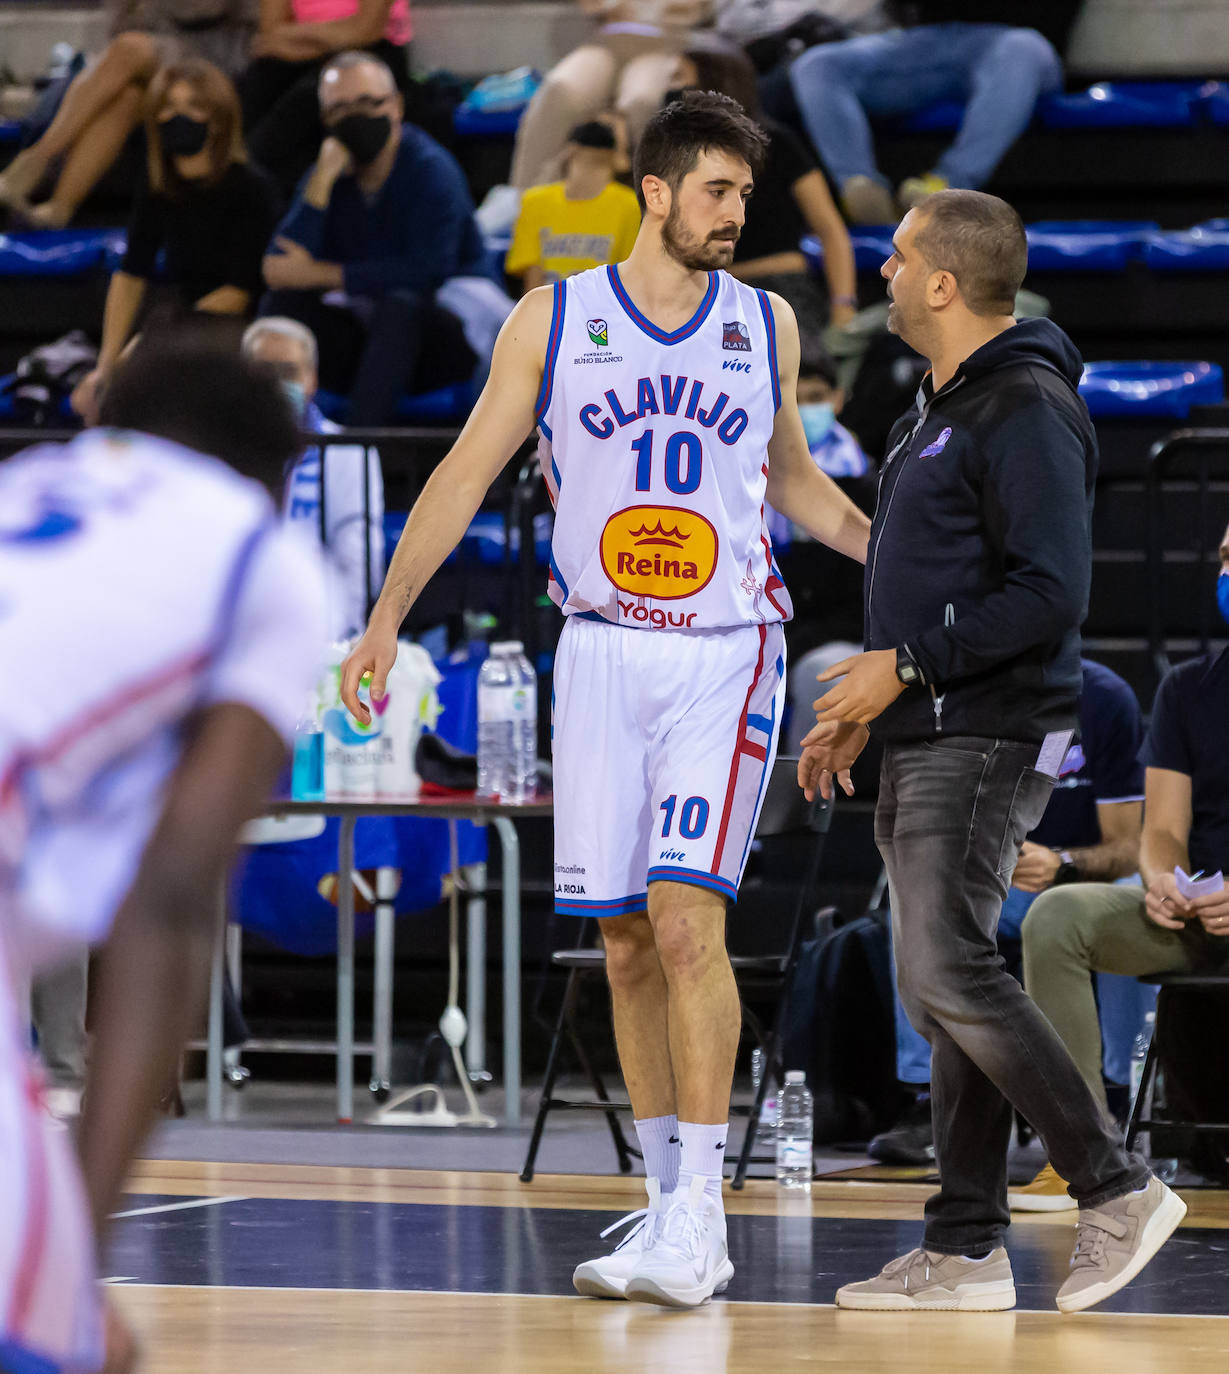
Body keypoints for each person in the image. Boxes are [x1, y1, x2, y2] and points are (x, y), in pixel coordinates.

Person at [340, 90, 871, 1308]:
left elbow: (791, 481)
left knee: (687, 920)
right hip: (597, 649)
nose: (738, 213)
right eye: (719, 192)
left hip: (726, 647)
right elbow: (465, 472)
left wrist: (895, 552)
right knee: (625, 943)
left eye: (745, 192)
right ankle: (661, 1202)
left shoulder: (766, 323)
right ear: (657, 191)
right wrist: (383, 616)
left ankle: (701, 1216)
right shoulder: (556, 317)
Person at [797, 188, 1184, 1314]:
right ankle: (964, 1246)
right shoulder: (935, 403)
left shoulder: (1023, 403)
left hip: (988, 726)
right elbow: (929, 580)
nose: (880, 270)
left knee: (941, 970)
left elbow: (1049, 592)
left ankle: (1112, 1184)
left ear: (943, 283)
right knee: (950, 977)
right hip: (925, 722)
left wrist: (902, 667)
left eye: (898, 255)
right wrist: (865, 699)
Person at [0, 335, 327, 1373]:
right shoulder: (261, 559)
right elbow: (176, 896)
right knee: (62, 1343)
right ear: (271, 482)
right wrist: (79, 1258)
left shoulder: (30, 482)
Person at [869, 657, 1147, 1173]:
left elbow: (1129, 847)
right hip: (998, 878)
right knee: (917, 905)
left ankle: (1120, 1093)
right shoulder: (961, 694)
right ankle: (928, 1098)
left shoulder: (1105, 698)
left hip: (1085, 878)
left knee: (1136, 892)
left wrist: (1063, 863)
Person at [1020, 544, 1229, 1196]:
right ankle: (1085, 1156)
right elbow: (1161, 829)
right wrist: (1165, 879)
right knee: (1057, 914)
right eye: (1222, 557)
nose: (1224, 573)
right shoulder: (1190, 688)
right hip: (1202, 915)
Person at [261, 50, 513, 424]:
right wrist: (321, 183)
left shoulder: (430, 168)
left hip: (448, 335)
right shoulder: (327, 172)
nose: (355, 117)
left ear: (396, 106)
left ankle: (358, 451)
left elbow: (429, 271)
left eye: (368, 103)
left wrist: (325, 274)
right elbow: (280, 268)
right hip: (370, 335)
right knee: (282, 305)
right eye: (340, 109)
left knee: (401, 305)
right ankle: (272, 438)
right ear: (325, 120)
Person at [70, 58, 280, 425]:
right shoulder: (158, 188)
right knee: (98, 396)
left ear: (216, 120)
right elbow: (132, 272)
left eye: (192, 107)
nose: (176, 118)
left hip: (239, 331)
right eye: (167, 107)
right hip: (181, 326)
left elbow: (239, 292)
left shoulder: (251, 188)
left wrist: (153, 340)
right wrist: (107, 363)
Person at [788, 2, 1078, 223]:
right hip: (933, 39)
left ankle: (946, 187)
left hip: (1018, 40)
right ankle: (860, 187)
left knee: (1021, 49)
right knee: (818, 65)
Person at [0, 0, 253, 228]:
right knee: (127, 98)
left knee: (128, 49)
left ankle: (35, 159)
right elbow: (120, 24)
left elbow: (207, 7)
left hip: (220, 55)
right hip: (151, 58)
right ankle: (60, 208)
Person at [477, 0, 715, 233]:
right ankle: (524, 203)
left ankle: (648, 217)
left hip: (667, 42)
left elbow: (703, 10)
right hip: (606, 39)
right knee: (561, 89)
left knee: (640, 101)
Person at [672, 39, 858, 332]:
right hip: (709, 297)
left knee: (799, 374)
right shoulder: (682, 157)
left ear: (712, 83)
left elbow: (831, 231)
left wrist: (843, 306)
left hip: (780, 290)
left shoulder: (779, 144)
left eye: (681, 77)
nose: (674, 90)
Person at [242, 315, 386, 636]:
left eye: (289, 372)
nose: (276, 384)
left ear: (312, 379)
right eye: (265, 371)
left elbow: (358, 557)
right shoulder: (218, 452)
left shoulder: (350, 450)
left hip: (321, 627)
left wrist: (331, 633)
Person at [241, 0, 414, 197]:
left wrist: (294, 33)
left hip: (373, 51)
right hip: (298, 55)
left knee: (303, 102)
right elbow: (270, 33)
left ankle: (247, 180)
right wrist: (339, 37)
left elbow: (367, 31)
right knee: (252, 91)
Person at [505, 121, 643, 293]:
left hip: (553, 310)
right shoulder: (630, 204)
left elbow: (532, 281)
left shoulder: (534, 200)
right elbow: (628, 279)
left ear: (571, 150)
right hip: (600, 313)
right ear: (612, 155)